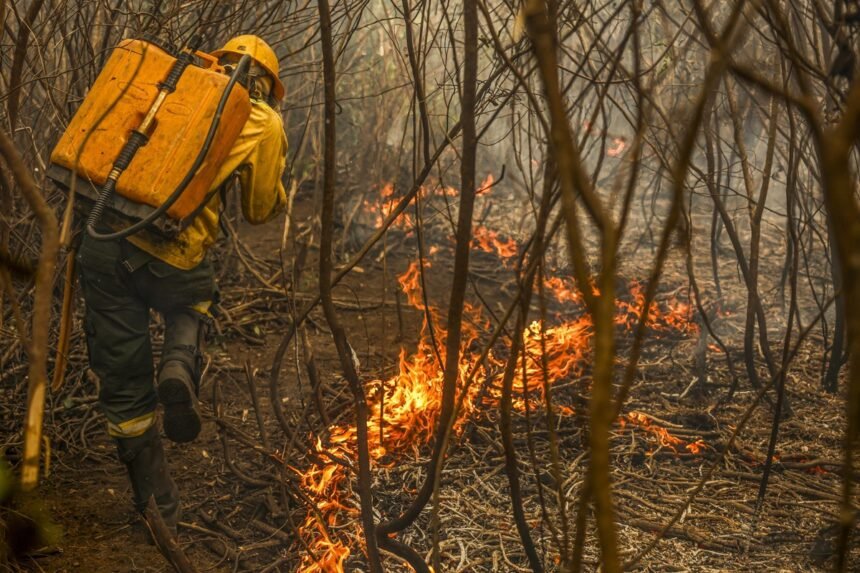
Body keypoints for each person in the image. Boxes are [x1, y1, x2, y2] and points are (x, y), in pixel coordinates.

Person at [75, 35, 287, 535]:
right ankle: (177, 363)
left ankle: (158, 505)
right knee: (193, 299)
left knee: (124, 384)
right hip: (173, 256)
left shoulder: (168, 84)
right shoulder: (261, 118)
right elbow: (259, 210)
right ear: (269, 85)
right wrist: (275, 183)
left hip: (102, 242)